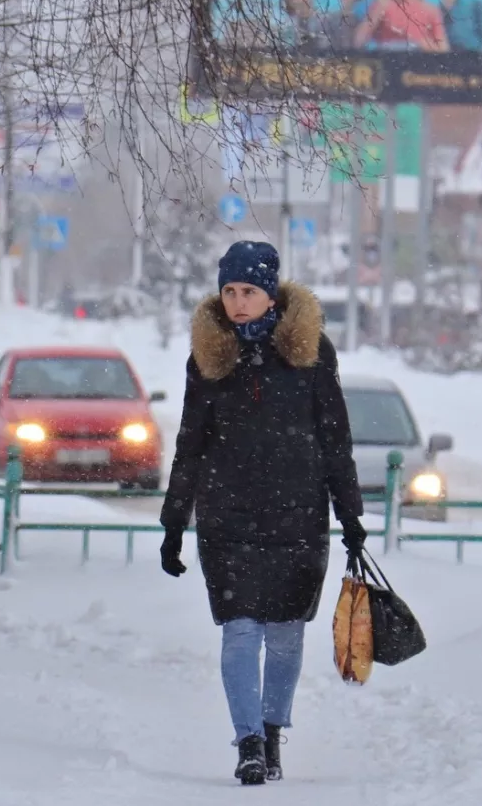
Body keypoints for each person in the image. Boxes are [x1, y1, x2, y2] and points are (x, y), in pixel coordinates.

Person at [159, 240, 366, 786]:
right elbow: (190, 443)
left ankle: (273, 733)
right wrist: (173, 523)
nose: (237, 301)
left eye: (248, 291)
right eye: (229, 291)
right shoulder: (207, 359)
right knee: (240, 630)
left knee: (286, 635)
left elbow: (335, 440)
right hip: (227, 517)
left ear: (270, 294)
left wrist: (351, 516)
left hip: (297, 516)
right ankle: (248, 741)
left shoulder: (311, 353)